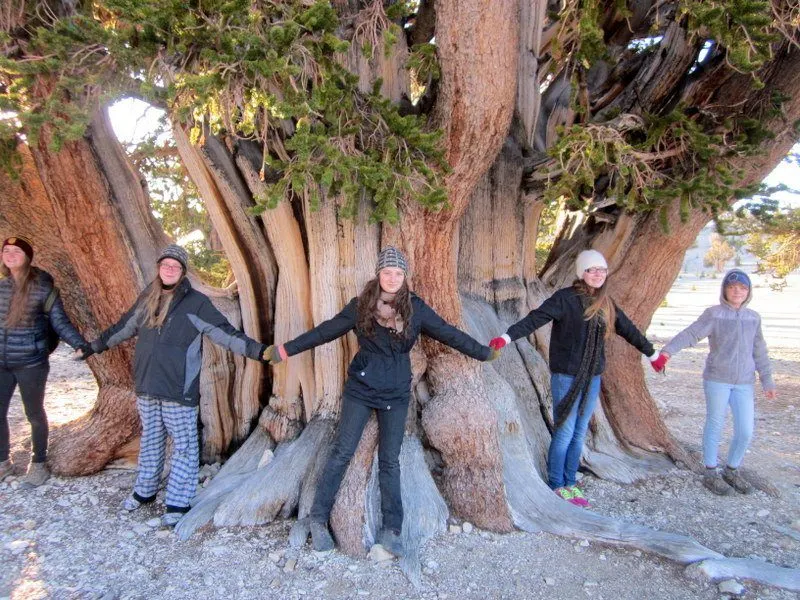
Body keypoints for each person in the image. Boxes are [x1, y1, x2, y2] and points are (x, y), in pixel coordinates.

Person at [265, 246, 497, 555]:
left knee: (390, 460)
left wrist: (482, 352)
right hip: (361, 389)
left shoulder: (415, 308)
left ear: (404, 276)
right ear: (378, 274)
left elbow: (448, 333)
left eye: (398, 273)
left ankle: (392, 529)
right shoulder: (361, 306)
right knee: (342, 452)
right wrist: (285, 350)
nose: (392, 278)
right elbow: (324, 332)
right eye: (387, 272)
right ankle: (318, 519)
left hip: (396, 393)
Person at [85, 244, 270, 526]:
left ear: (183, 272)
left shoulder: (196, 303)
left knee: (184, 446)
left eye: (176, 266)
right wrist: (94, 346)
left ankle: (177, 502)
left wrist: (259, 351)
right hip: (147, 386)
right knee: (151, 440)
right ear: (159, 268)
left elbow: (225, 333)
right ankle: (144, 491)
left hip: (178, 390)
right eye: (165, 265)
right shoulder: (148, 297)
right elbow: (124, 327)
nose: (169, 269)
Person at [489, 250, 666, 508]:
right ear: (582, 273)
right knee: (565, 431)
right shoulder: (565, 299)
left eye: (601, 270)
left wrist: (652, 354)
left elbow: (629, 330)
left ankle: (571, 482)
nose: (597, 274)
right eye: (591, 270)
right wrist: (506, 337)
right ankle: (557, 484)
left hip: (592, 377)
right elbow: (536, 319)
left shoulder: (606, 303)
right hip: (566, 376)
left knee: (580, 432)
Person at [659, 268, 776, 496]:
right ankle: (710, 472)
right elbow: (692, 334)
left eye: (742, 288)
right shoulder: (714, 314)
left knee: (745, 430)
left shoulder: (753, 318)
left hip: (744, 382)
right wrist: (668, 351)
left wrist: (767, 380)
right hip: (717, 380)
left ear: (749, 291)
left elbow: (759, 350)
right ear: (724, 290)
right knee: (715, 423)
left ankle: (732, 470)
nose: (737, 291)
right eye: (732, 287)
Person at [1, 236, 92, 487]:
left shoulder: (43, 289)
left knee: (34, 414)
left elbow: (60, 322)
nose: (10, 255)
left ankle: (39, 463)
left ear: (27, 257)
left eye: (16, 251)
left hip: (31, 363)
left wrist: (80, 344)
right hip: (1, 362)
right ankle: (3, 462)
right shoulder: (1, 288)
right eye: (6, 251)